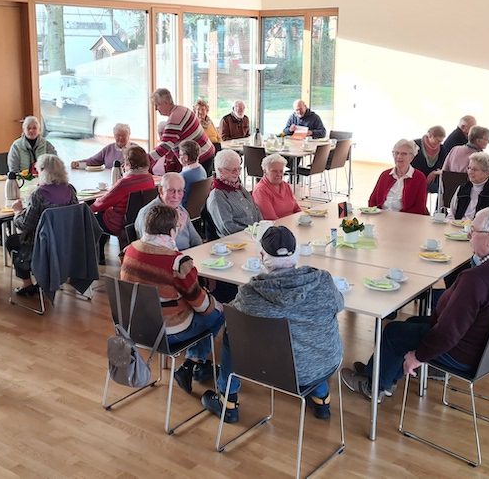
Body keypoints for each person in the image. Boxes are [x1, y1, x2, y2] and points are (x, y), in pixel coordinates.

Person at [341, 207, 489, 401]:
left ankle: (374, 386)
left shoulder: (477, 279)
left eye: (473, 231)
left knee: (394, 332)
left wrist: (418, 357)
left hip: (463, 354)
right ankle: (379, 375)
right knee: (412, 322)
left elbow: (448, 333)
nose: (469, 235)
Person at [201, 227, 344, 423]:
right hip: (325, 364)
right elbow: (340, 304)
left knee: (231, 333)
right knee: (308, 338)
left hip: (271, 371)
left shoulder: (251, 293)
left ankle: (228, 401)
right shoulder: (323, 281)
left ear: (262, 256)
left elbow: (232, 315)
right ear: (296, 254)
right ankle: (321, 399)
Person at [120, 205, 224, 395]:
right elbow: (201, 305)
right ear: (171, 231)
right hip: (166, 332)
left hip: (133, 327)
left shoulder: (129, 251)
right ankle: (192, 363)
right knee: (216, 313)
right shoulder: (177, 262)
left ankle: (195, 364)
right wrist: (214, 302)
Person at [5, 154, 78, 297]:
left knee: (11, 241)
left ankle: (28, 284)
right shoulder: (70, 190)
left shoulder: (39, 194)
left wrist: (17, 211)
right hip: (66, 243)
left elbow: (26, 224)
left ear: (43, 171)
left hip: (42, 244)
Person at [91, 145, 156, 237]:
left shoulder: (125, 183)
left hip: (120, 223)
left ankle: (98, 250)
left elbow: (102, 202)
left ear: (128, 163)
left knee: (93, 219)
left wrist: (88, 209)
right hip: (141, 221)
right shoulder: (149, 178)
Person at [149, 88, 216, 177]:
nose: (156, 109)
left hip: (201, 157)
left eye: (157, 105)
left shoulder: (174, 118)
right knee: (203, 187)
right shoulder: (182, 109)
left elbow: (164, 147)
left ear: (166, 103)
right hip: (206, 153)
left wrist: (144, 159)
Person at [134, 173, 203, 251]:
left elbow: (196, 240)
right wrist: (177, 228)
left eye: (180, 191)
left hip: (187, 256)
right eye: (171, 191)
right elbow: (151, 249)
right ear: (161, 190)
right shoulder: (149, 215)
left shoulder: (181, 210)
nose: (176, 196)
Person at [206, 149, 263, 236]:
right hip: (236, 240)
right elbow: (227, 227)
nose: (237, 173)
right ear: (220, 170)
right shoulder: (217, 195)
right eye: (233, 170)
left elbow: (256, 210)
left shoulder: (238, 187)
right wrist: (253, 232)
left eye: (238, 169)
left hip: (253, 235)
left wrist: (261, 228)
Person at [368, 139, 429, 215]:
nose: (399, 156)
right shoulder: (385, 175)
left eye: (404, 154)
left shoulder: (419, 178)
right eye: (396, 153)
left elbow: (419, 208)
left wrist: (398, 218)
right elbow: (372, 201)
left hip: (405, 220)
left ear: (411, 157)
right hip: (381, 217)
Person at [447, 152, 489, 221]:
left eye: (474, 169)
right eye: (469, 168)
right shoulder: (462, 189)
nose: (470, 172)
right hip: (457, 228)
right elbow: (451, 214)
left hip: (480, 230)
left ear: (487, 173)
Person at [251, 153, 301, 220]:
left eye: (281, 171)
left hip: (292, 223)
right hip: (277, 227)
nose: (279, 174)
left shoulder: (285, 185)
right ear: (265, 171)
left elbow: (296, 209)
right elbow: (271, 219)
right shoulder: (260, 190)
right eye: (274, 171)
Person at [411, 125, 447, 194]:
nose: (439, 143)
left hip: (431, 181)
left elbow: (444, 165)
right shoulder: (415, 145)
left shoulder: (441, 148)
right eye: (437, 141)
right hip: (415, 178)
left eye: (441, 141)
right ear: (430, 136)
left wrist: (435, 172)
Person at [179, 140, 207, 207]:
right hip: (197, 209)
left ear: (185, 158)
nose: (179, 157)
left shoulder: (182, 176)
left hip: (183, 208)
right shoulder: (201, 169)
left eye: (180, 155)